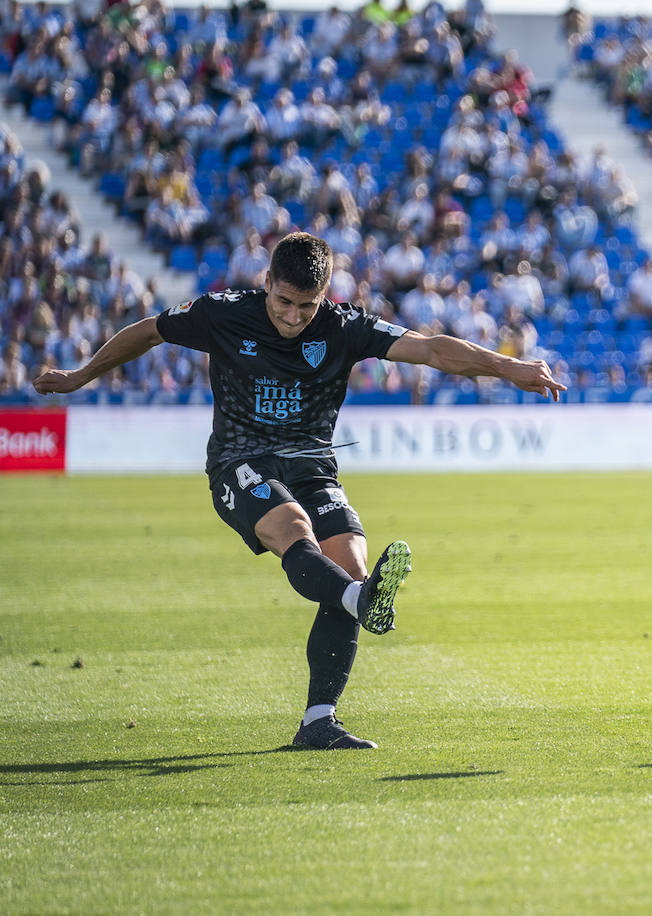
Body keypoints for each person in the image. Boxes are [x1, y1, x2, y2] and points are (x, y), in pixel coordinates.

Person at [33, 232, 565, 749]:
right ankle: (363, 603)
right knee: (296, 530)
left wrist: (508, 366)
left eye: (306, 307)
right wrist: (82, 375)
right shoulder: (223, 311)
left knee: (351, 563)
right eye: (284, 302)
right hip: (239, 462)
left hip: (312, 469)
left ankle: (319, 719)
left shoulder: (344, 326)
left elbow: (429, 350)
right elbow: (149, 330)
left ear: (326, 294)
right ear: (267, 283)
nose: (292, 317)